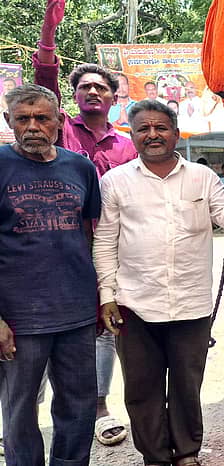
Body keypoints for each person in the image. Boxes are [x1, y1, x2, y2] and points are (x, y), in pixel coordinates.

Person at [93, 100, 224, 466]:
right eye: (143, 129)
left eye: (161, 127)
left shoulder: (203, 177)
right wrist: (107, 296)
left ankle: (187, 453)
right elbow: (104, 242)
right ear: (131, 136)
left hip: (191, 305)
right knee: (141, 390)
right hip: (135, 306)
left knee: (186, 386)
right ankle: (156, 457)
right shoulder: (115, 182)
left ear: (176, 134)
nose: (153, 134)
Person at [35, 0, 137, 447]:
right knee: (37, 328)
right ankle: (22, 412)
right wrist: (48, 33)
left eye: (102, 88)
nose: (93, 93)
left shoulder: (129, 144)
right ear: (73, 98)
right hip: (59, 245)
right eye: (85, 88)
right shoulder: (62, 131)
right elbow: (44, 85)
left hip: (111, 248)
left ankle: (98, 406)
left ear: (114, 98)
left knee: (104, 324)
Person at [0, 83, 100, 466]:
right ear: (9, 121)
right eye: (22, 119)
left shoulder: (80, 167)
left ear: (58, 121)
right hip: (19, 319)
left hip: (76, 312)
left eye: (42, 118)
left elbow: (90, 235)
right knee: (20, 409)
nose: (32, 127)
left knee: (79, 404)